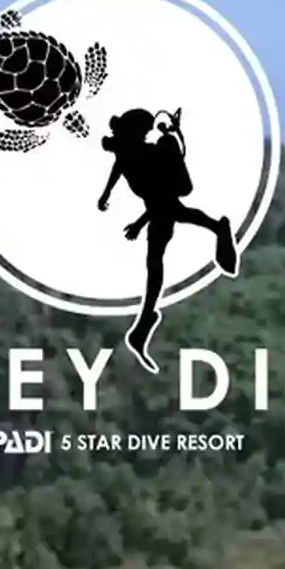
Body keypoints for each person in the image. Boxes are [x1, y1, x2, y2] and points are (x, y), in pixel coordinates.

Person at [97, 107, 238, 372]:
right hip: (159, 206)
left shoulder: (145, 155)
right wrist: (107, 193)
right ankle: (143, 323)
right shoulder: (128, 154)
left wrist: (139, 224)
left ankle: (144, 322)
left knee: (158, 255)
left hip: (160, 205)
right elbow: (120, 168)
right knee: (160, 254)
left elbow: (158, 196)